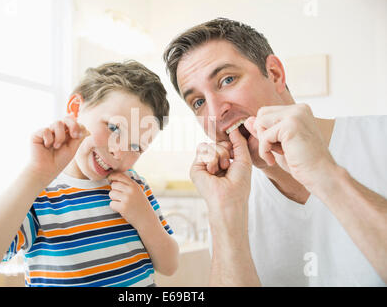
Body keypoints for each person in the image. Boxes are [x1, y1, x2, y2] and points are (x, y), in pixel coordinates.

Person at [163, 18, 387, 286]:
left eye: (227, 80)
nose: (215, 111)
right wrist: (226, 216)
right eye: (198, 101)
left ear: (275, 74)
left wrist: (323, 174)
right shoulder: (231, 195)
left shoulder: (379, 137)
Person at [0, 60, 179, 287]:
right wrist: (35, 175)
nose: (118, 152)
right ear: (76, 108)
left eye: (136, 147)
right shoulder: (39, 194)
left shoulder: (135, 186)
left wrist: (145, 219)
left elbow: (169, 266)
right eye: (113, 128)